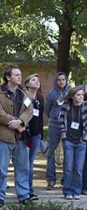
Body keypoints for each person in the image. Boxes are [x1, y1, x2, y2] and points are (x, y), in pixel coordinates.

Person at [0, 65, 33, 206]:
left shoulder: (24, 93)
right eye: (16, 75)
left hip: (21, 137)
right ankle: (0, 197)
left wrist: (20, 122)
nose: (20, 77)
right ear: (8, 77)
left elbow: (30, 110)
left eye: (20, 74)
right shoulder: (0, 93)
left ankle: (24, 195)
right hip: (4, 137)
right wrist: (13, 122)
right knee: (1, 169)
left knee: (23, 168)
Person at [59, 86, 87, 200]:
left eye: (82, 95)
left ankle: (76, 190)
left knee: (78, 168)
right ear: (72, 96)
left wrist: (84, 138)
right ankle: (67, 190)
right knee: (68, 168)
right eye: (78, 95)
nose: (81, 97)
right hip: (68, 140)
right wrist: (64, 136)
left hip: (81, 142)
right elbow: (61, 121)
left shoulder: (86, 106)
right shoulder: (66, 106)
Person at [45, 72, 70, 190]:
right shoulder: (51, 94)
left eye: (63, 79)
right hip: (54, 125)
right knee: (51, 153)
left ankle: (66, 180)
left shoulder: (70, 93)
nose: (61, 82)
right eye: (59, 80)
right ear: (56, 81)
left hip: (68, 126)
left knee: (68, 153)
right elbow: (47, 109)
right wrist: (54, 116)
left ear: (66, 80)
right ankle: (51, 180)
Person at [24, 73, 44, 201]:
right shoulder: (24, 97)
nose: (37, 82)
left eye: (38, 80)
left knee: (30, 163)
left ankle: (30, 191)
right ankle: (25, 192)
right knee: (25, 164)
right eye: (33, 80)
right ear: (27, 84)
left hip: (36, 135)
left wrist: (41, 136)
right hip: (25, 134)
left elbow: (41, 119)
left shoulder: (40, 99)